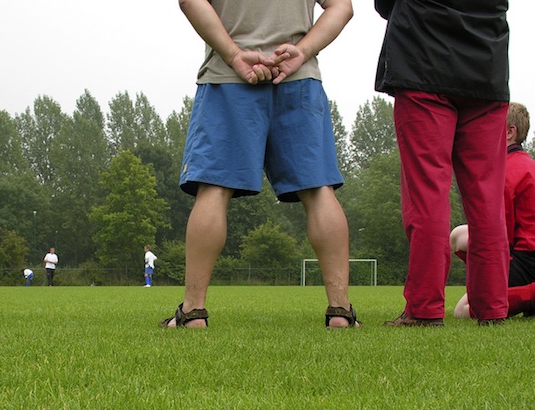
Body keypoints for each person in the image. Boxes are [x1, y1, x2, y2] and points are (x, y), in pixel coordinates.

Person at [161, 0, 360, 329]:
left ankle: (193, 313)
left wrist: (235, 55)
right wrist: (301, 51)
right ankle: (339, 312)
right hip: (298, 77)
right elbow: (342, 7)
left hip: (228, 78)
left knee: (213, 189)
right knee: (318, 190)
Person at [375, 0, 510, 326]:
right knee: (487, 198)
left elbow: (384, 4)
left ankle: (424, 308)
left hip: (423, 64)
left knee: (427, 192)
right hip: (486, 70)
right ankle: (492, 308)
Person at [451, 103, 535, 319]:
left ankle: (526, 296)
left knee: (463, 311)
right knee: (459, 234)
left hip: (525, 260)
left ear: (509, 132)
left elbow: (499, 236)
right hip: (525, 254)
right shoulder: (527, 165)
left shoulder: (506, 172)